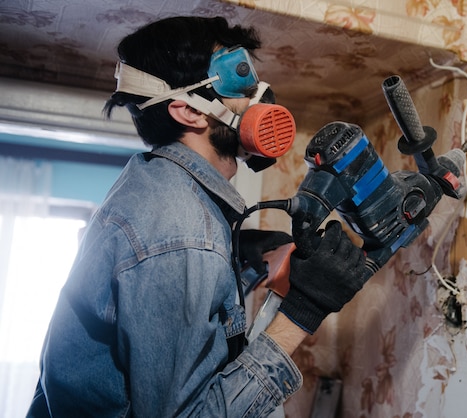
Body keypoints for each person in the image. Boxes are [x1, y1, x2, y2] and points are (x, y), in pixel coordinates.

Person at [26, 16, 372, 417]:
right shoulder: (182, 231)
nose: (259, 95)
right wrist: (304, 311)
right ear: (187, 111)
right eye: (237, 80)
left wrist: (236, 257)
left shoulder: (157, 188)